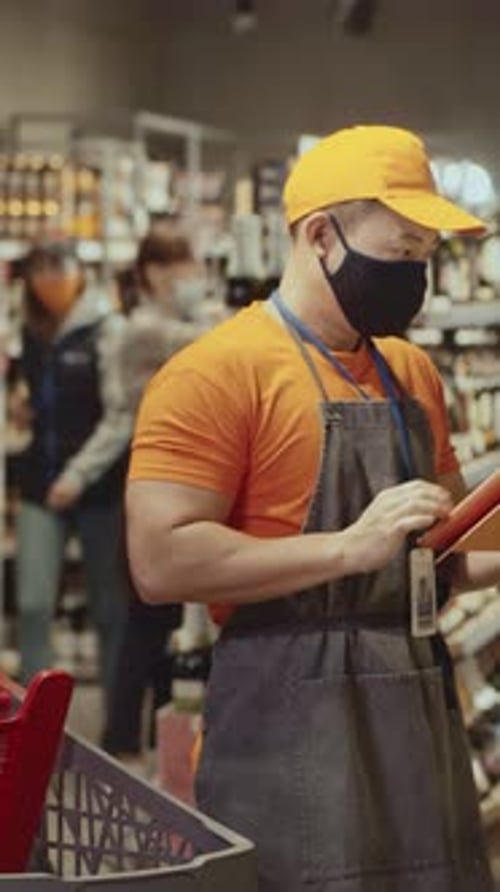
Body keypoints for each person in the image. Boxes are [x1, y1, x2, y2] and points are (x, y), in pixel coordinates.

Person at [126, 126, 500, 891]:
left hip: (417, 709)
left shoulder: (411, 371)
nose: (415, 274)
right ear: (321, 234)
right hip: (285, 721)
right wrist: (345, 549)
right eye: (400, 250)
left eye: (426, 255)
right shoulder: (216, 373)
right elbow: (160, 562)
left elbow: (447, 555)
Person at [103, 233, 211, 759]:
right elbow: (206, 339)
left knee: (167, 616)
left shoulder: (162, 325)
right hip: (145, 467)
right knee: (147, 612)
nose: (192, 278)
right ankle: (122, 737)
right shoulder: (141, 329)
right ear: (151, 273)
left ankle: (161, 742)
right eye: (182, 268)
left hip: (171, 466)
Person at [13, 240, 131, 706]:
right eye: (38, 270)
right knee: (34, 604)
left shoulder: (107, 328)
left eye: (57, 268)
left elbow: (120, 415)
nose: (48, 280)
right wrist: (24, 408)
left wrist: (79, 475)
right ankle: (26, 721)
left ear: (79, 272)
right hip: (39, 484)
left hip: (97, 488)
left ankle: (115, 720)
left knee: (110, 608)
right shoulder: (31, 330)